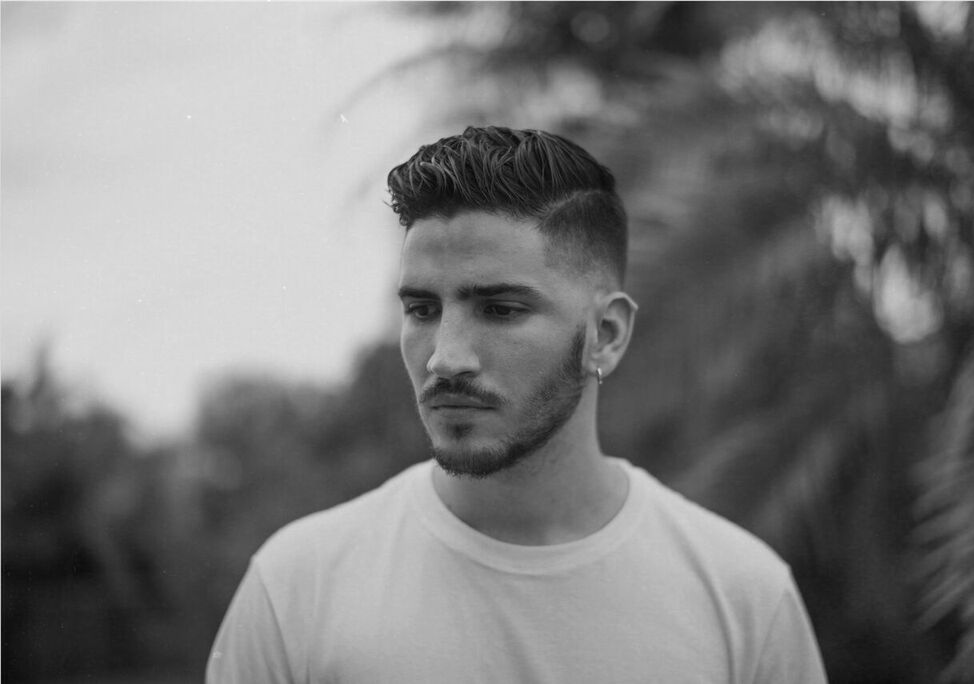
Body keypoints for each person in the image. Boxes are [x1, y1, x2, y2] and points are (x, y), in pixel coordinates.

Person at [206, 126, 829, 683]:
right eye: (422, 309)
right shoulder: (298, 587)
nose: (444, 357)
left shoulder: (742, 597)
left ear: (606, 334)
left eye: (500, 309)